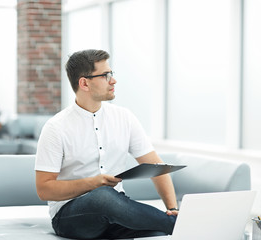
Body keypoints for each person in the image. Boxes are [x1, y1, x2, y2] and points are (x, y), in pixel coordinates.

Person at [35, 49, 178, 239]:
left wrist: (172, 208)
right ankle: (183, 225)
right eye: (105, 75)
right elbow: (44, 190)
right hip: (71, 217)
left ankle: (175, 221)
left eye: (112, 74)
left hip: (116, 210)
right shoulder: (56, 127)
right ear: (84, 83)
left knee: (156, 230)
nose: (113, 81)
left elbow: (156, 166)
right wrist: (92, 183)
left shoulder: (124, 117)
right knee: (103, 195)